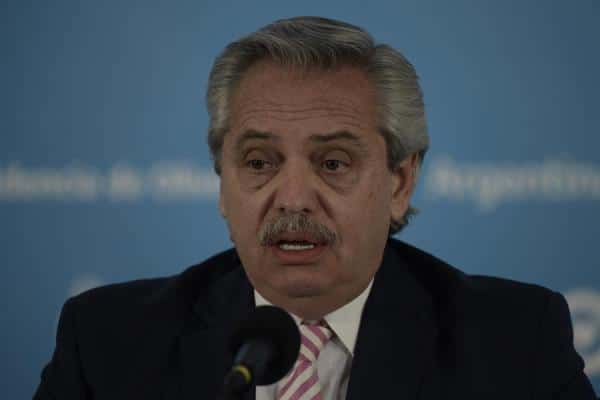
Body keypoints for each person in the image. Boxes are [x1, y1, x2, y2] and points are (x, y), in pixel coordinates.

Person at [34, 16, 595, 399]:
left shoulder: (515, 343)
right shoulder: (108, 341)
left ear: (400, 183)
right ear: (222, 183)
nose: (294, 198)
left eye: (332, 162)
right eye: (259, 161)